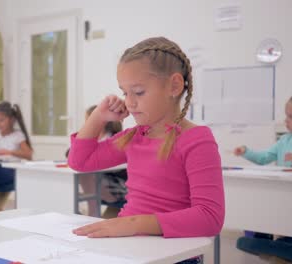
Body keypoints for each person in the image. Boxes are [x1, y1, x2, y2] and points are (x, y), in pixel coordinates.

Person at [67, 37, 224, 263]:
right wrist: (98, 116)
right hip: (130, 245)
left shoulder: (197, 140)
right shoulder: (134, 136)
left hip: (172, 253)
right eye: (124, 93)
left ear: (174, 86)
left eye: (138, 92)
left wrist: (134, 223)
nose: (129, 103)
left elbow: (210, 218)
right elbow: (80, 162)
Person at [234, 91, 292, 263]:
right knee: (269, 195)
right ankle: (263, 239)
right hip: (286, 190)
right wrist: (246, 152)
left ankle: (286, 243)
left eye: (291, 116)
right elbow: (264, 158)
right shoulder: (285, 141)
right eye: (286, 116)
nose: (286, 120)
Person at [67, 105, 127, 217]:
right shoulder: (93, 138)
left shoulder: (114, 138)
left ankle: (92, 211)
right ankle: (91, 210)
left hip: (118, 184)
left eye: (88, 120)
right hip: (101, 182)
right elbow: (70, 152)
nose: (86, 123)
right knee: (83, 175)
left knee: (87, 175)